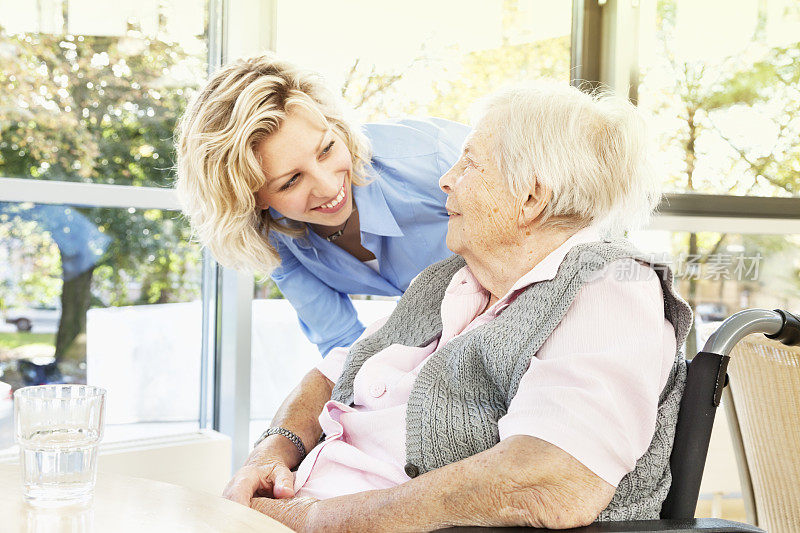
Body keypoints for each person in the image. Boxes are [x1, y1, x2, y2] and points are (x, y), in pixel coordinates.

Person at [222, 82, 694, 531]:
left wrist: (315, 521)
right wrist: (273, 451)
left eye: (468, 165)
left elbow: (550, 478)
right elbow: (331, 373)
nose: (445, 181)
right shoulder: (450, 280)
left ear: (531, 197)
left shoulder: (608, 290)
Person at [176, 54, 469, 356]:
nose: (329, 187)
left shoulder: (433, 155)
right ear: (253, 198)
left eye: (326, 149)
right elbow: (341, 344)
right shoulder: (278, 242)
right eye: (291, 181)